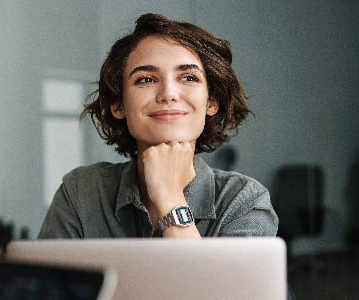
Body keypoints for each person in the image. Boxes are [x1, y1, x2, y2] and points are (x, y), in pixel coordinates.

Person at [38, 13, 278, 239]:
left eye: (189, 77)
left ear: (211, 101)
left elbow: (206, 285)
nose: (168, 94)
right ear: (118, 104)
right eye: (146, 79)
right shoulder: (81, 192)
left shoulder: (244, 202)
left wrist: (169, 197)